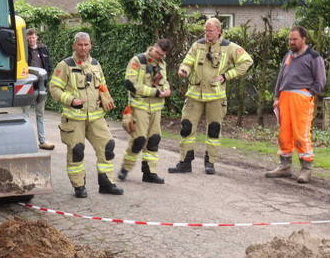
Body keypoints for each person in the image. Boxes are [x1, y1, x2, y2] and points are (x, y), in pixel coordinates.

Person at [170, 17, 253, 174]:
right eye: (205, 30)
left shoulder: (229, 47)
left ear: (218, 31)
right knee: (186, 127)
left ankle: (210, 163)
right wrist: (184, 70)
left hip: (216, 96)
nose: (207, 33)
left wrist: (227, 76)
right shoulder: (197, 45)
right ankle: (185, 161)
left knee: (214, 129)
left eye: (210, 31)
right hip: (195, 95)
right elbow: (187, 62)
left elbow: (247, 62)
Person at [48, 32, 123, 198]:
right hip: (74, 118)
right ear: (74, 46)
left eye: (86, 44)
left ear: (91, 45)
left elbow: (102, 85)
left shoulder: (96, 64)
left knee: (107, 146)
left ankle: (106, 183)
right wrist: (70, 99)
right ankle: (79, 186)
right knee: (77, 151)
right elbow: (54, 89)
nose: (83, 48)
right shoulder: (65, 65)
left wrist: (105, 97)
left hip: (96, 116)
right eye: (80, 45)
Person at [265, 26, 327, 184]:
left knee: (301, 134)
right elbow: (281, 76)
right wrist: (276, 96)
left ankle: (306, 169)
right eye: (290, 39)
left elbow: (321, 81)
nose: (291, 42)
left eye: (294, 39)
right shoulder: (288, 55)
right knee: (284, 134)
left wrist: (308, 94)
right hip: (284, 99)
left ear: (304, 38)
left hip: (301, 101)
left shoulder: (314, 56)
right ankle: (284, 166)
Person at [119, 39, 172, 184]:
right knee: (139, 139)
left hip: (156, 108)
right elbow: (131, 84)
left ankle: (150, 172)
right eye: (157, 52)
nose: (158, 56)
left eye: (161, 55)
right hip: (140, 106)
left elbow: (164, 81)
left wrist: (166, 89)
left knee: (154, 139)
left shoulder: (162, 63)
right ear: (153, 47)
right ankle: (125, 168)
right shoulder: (138, 60)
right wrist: (155, 92)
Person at [25, 28, 55, 150]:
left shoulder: (43, 49)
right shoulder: (24, 51)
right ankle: (26, 141)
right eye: (29, 37)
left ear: (36, 37)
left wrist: (46, 78)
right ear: (27, 38)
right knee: (25, 115)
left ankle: (42, 141)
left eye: (33, 37)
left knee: (40, 114)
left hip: (41, 86)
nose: (32, 39)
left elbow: (48, 65)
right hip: (27, 87)